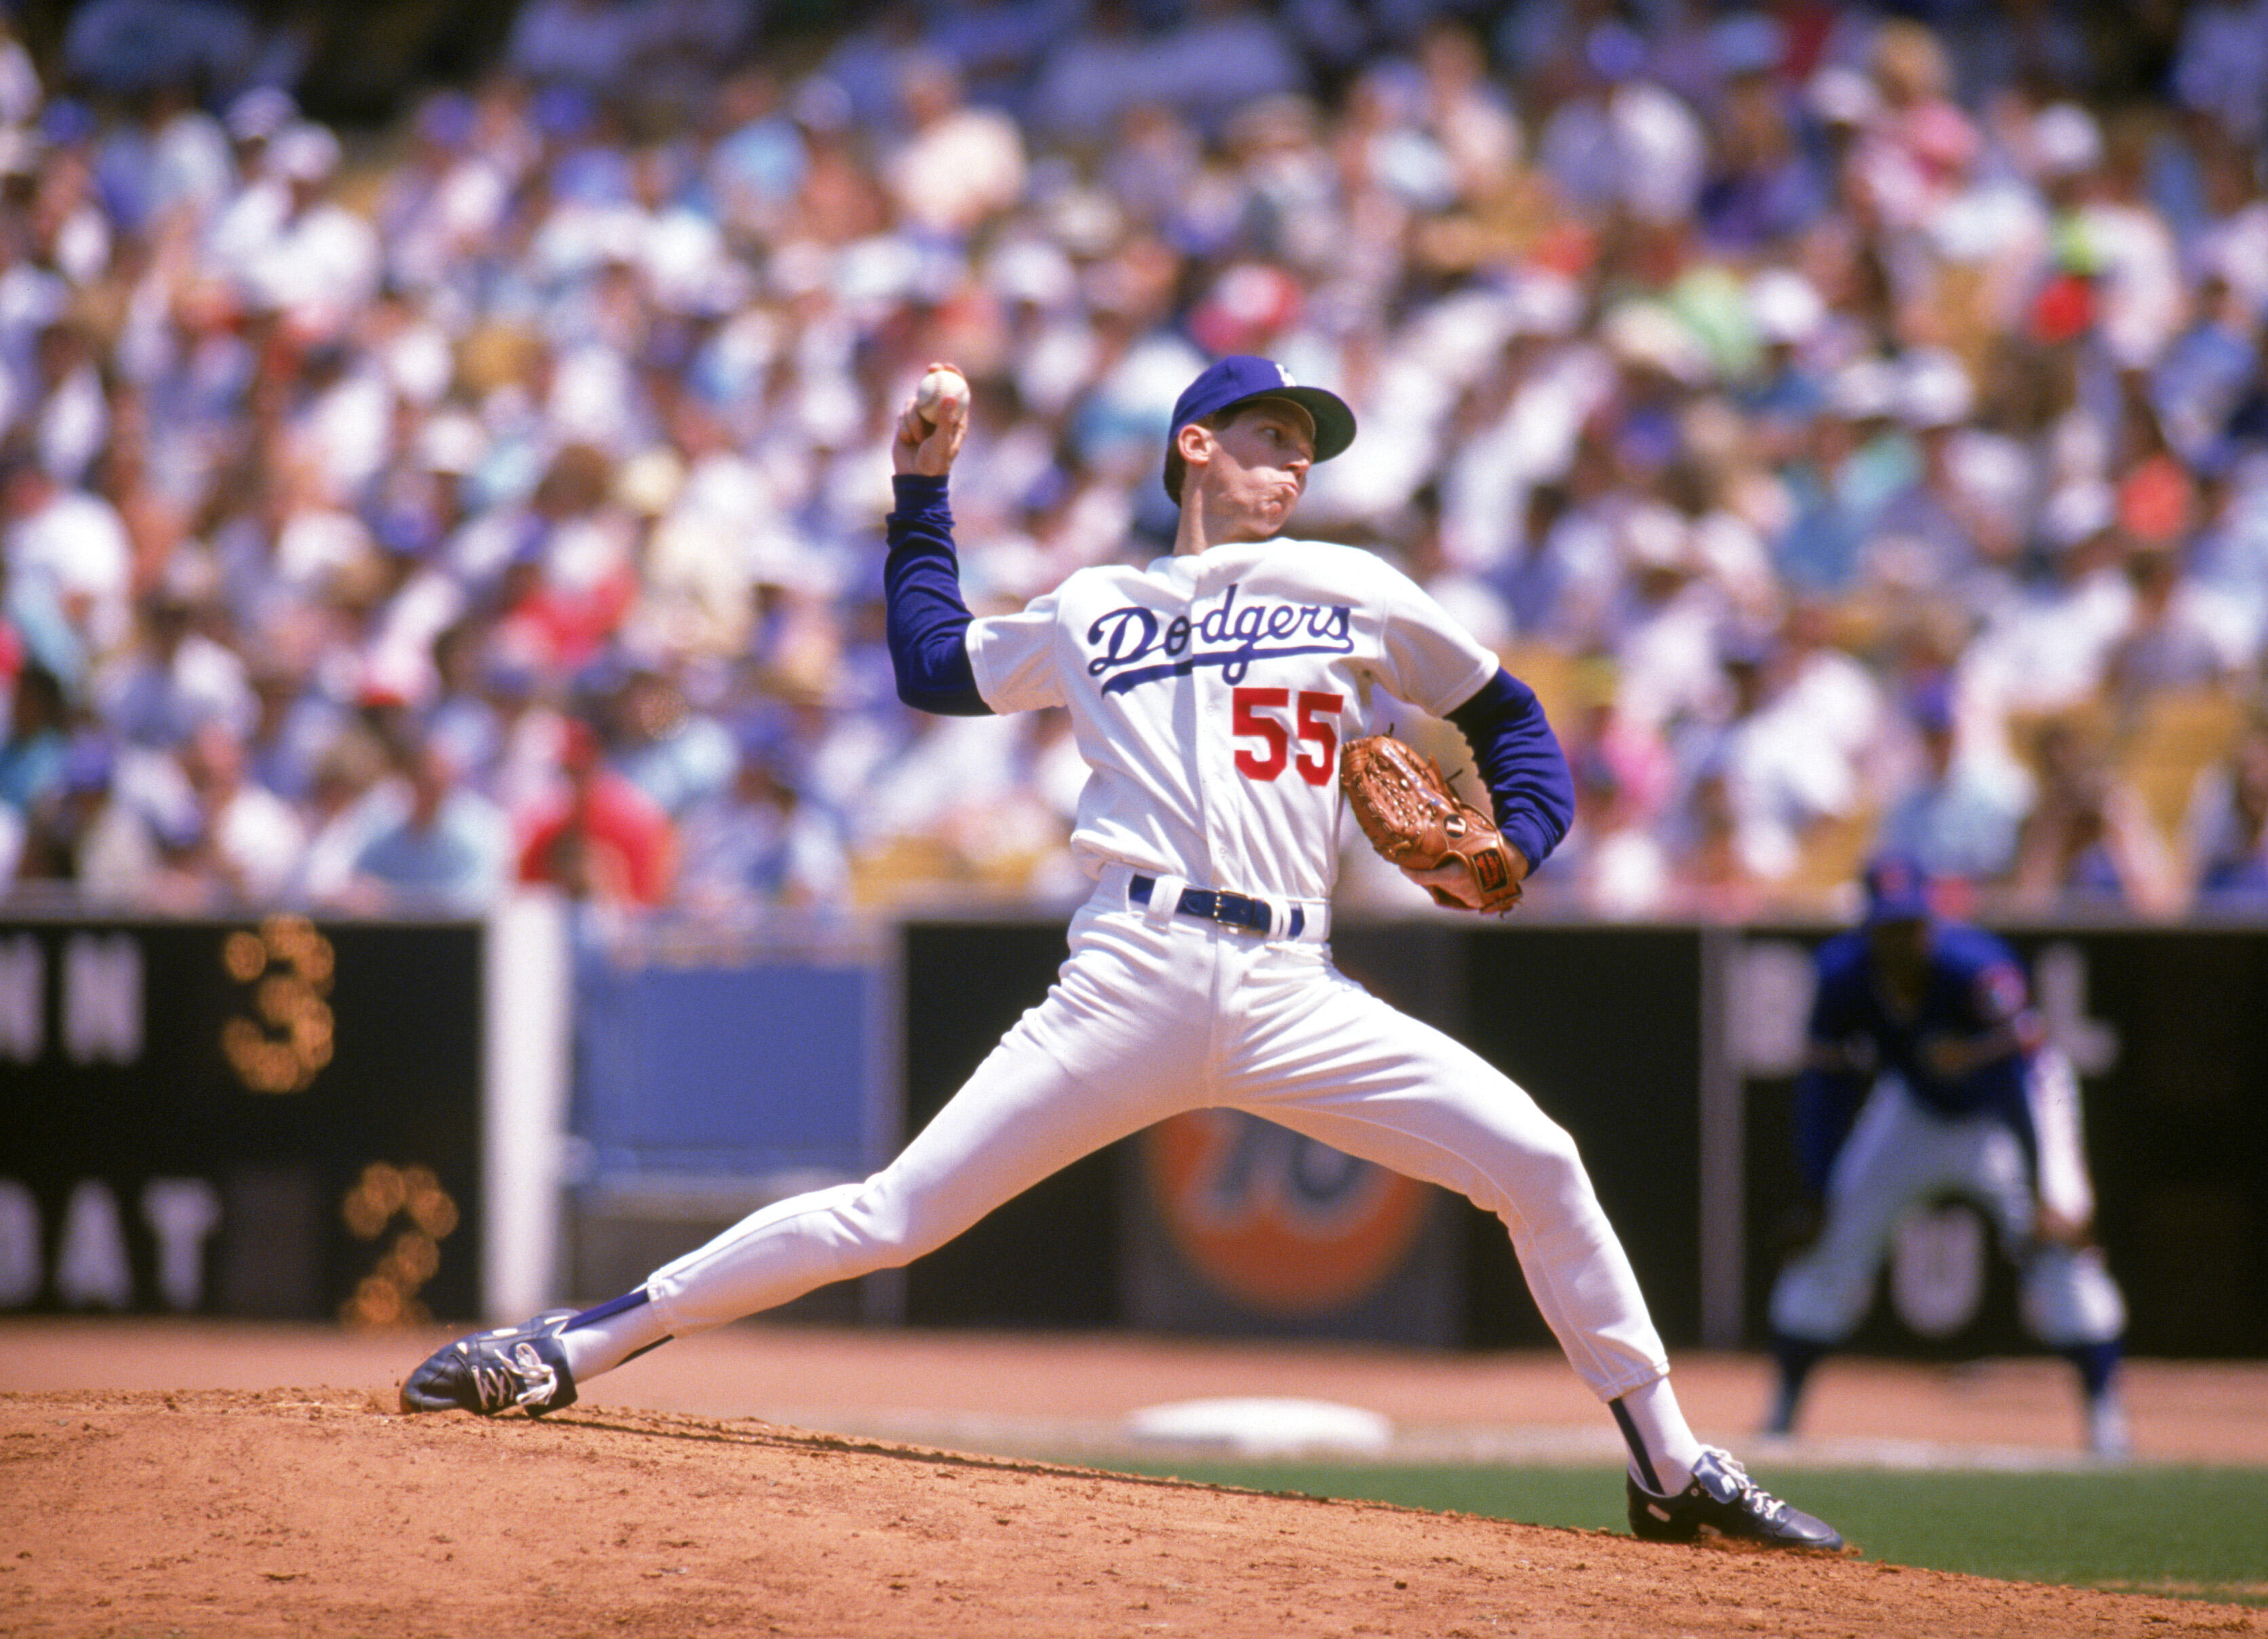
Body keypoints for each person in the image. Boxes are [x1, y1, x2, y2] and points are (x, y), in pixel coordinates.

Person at [399, 354, 1848, 1554]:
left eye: (1310, 452)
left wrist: (1522, 841)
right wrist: (919, 490)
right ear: (1195, 447)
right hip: (1132, 972)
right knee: (896, 1215)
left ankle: (1669, 1468)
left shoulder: (1356, 587)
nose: (1295, 470)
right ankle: (563, 1350)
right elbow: (928, 666)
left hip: (1295, 987)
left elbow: (1517, 721)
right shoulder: (1100, 608)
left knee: (1539, 1160)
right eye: (1273, 440)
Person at [1764, 853, 2132, 1459]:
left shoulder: (1977, 969)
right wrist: (1816, 1191)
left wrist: (2044, 1188)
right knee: (1831, 1241)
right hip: (1914, 1107)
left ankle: (2105, 1420)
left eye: (1910, 925)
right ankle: (1783, 1412)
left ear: (1931, 922)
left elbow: (2016, 1082)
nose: (1901, 940)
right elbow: (1824, 1092)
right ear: (1868, 929)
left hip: (2010, 1110)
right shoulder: (1844, 976)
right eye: (1887, 927)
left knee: (2063, 1245)